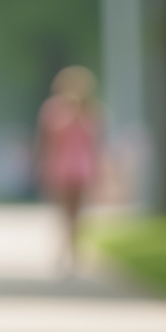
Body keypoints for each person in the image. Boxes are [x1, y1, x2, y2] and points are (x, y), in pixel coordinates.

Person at [36, 65, 100, 273]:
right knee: (63, 212)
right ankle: (65, 249)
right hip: (60, 167)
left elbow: (96, 141)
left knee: (78, 213)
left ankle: (74, 251)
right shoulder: (53, 109)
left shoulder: (92, 110)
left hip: (82, 167)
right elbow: (49, 138)